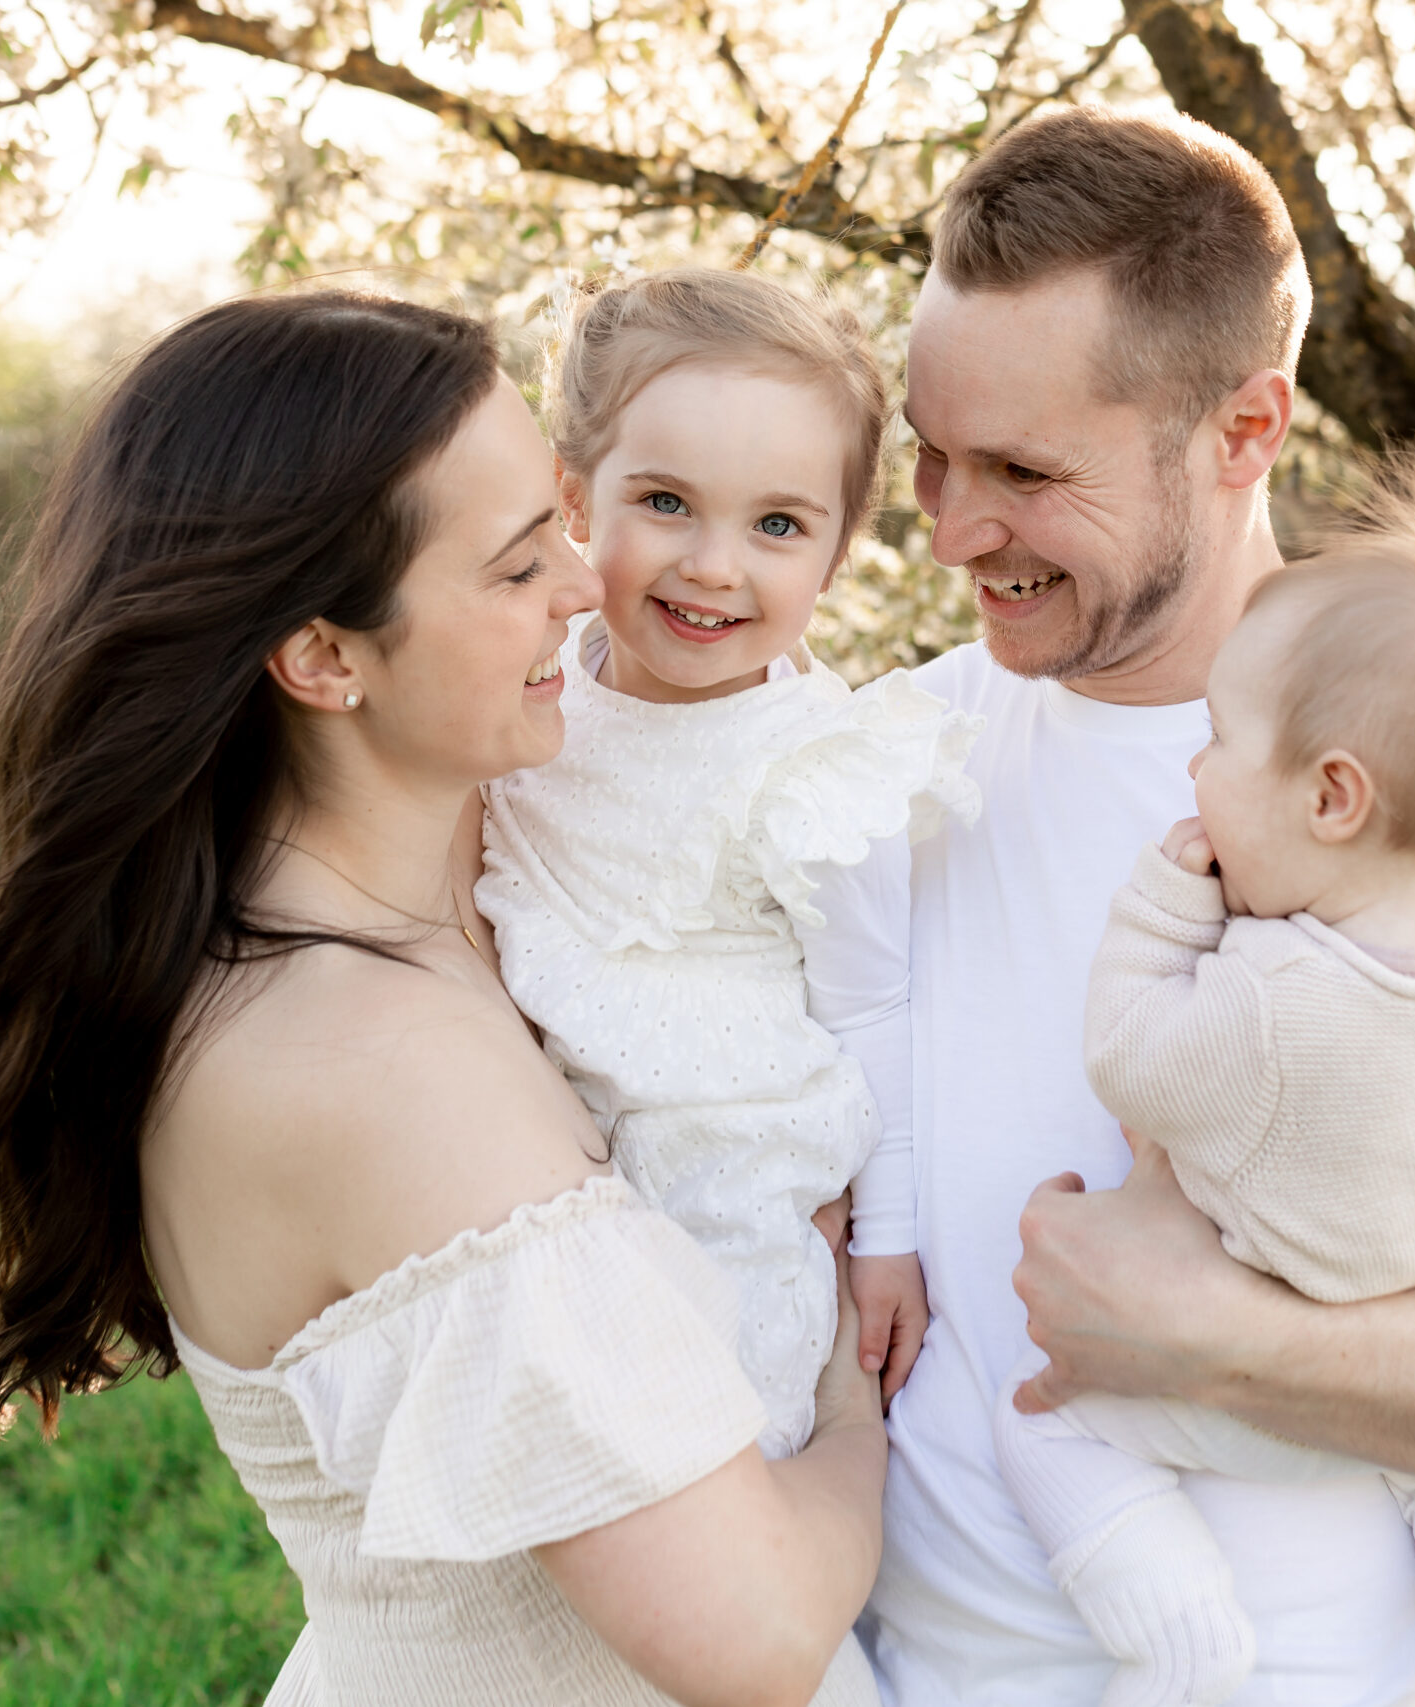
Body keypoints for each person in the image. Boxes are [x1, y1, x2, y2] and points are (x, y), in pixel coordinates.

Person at [0, 290, 886, 1707]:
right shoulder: (377, 1065)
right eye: (521, 564)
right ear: (326, 656)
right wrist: (854, 1403)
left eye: (568, 524)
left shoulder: (457, 876)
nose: (589, 586)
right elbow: (753, 1634)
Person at [864, 107, 1415, 1705]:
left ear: (1245, 429)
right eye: (928, 450)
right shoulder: (883, 765)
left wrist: (1220, 1339)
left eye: (1024, 470)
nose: (949, 525)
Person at [993, 450, 1415, 1707]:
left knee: (1039, 1423)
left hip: (1256, 1382)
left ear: (1335, 796)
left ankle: (1178, 1639)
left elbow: (1128, 1055)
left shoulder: (1271, 1003)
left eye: (1222, 745)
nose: (1195, 774)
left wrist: (1170, 902)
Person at [479, 268, 972, 1456]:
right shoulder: (529, 685)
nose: (713, 565)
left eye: (777, 526)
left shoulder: (818, 767)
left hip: (729, 1196)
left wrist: (884, 1237)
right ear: (572, 496)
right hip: (524, 1164)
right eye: (664, 502)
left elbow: (873, 1010)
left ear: (839, 551)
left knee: (696, 1481)